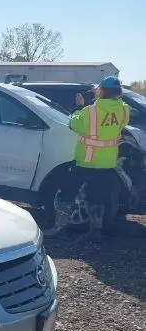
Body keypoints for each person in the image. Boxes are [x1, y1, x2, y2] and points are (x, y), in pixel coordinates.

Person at [45, 76, 131, 241]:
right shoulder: (124, 110)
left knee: (67, 193)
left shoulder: (89, 111)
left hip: (86, 161)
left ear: (102, 90)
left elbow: (73, 124)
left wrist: (79, 107)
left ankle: (59, 228)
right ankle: (95, 232)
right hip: (107, 163)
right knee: (96, 196)